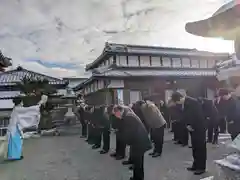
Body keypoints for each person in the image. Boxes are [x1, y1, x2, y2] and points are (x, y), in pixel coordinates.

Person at [171, 92, 206, 175]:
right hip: (192, 129)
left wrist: (191, 125)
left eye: (176, 102)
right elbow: (186, 116)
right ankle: (196, 165)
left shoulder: (193, 102)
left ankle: (201, 167)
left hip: (199, 128)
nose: (177, 104)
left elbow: (198, 116)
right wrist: (187, 125)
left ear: (179, 98)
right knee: (194, 148)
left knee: (200, 148)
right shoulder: (185, 103)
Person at [112, 105, 152, 180]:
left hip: (140, 142)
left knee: (138, 162)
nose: (116, 116)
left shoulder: (128, 117)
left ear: (119, 111)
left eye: (116, 114)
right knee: (137, 161)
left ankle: (138, 178)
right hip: (138, 141)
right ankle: (137, 176)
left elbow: (130, 131)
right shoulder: (127, 114)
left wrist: (124, 138)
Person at [6, 96, 42, 161]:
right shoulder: (18, 109)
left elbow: (27, 111)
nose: (22, 103)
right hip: (14, 128)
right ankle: (15, 156)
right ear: (20, 102)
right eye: (22, 101)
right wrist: (38, 105)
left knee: (16, 142)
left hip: (15, 128)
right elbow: (28, 110)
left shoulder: (16, 108)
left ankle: (15, 156)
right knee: (16, 142)